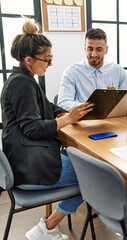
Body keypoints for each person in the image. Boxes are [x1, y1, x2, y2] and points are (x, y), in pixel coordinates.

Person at [1, 19, 93, 240]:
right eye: (47, 60)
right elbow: (32, 128)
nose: (49, 65)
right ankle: (47, 228)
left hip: (24, 158)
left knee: (81, 162)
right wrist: (68, 118)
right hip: (28, 166)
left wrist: (62, 113)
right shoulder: (22, 84)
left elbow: (45, 106)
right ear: (29, 59)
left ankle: (46, 229)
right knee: (91, 176)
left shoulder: (23, 79)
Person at [57, 28, 127, 111]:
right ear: (85, 48)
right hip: (84, 119)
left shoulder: (117, 70)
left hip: (112, 118)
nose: (94, 54)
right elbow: (63, 103)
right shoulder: (72, 71)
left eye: (99, 49)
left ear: (106, 49)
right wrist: (89, 107)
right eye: (90, 49)